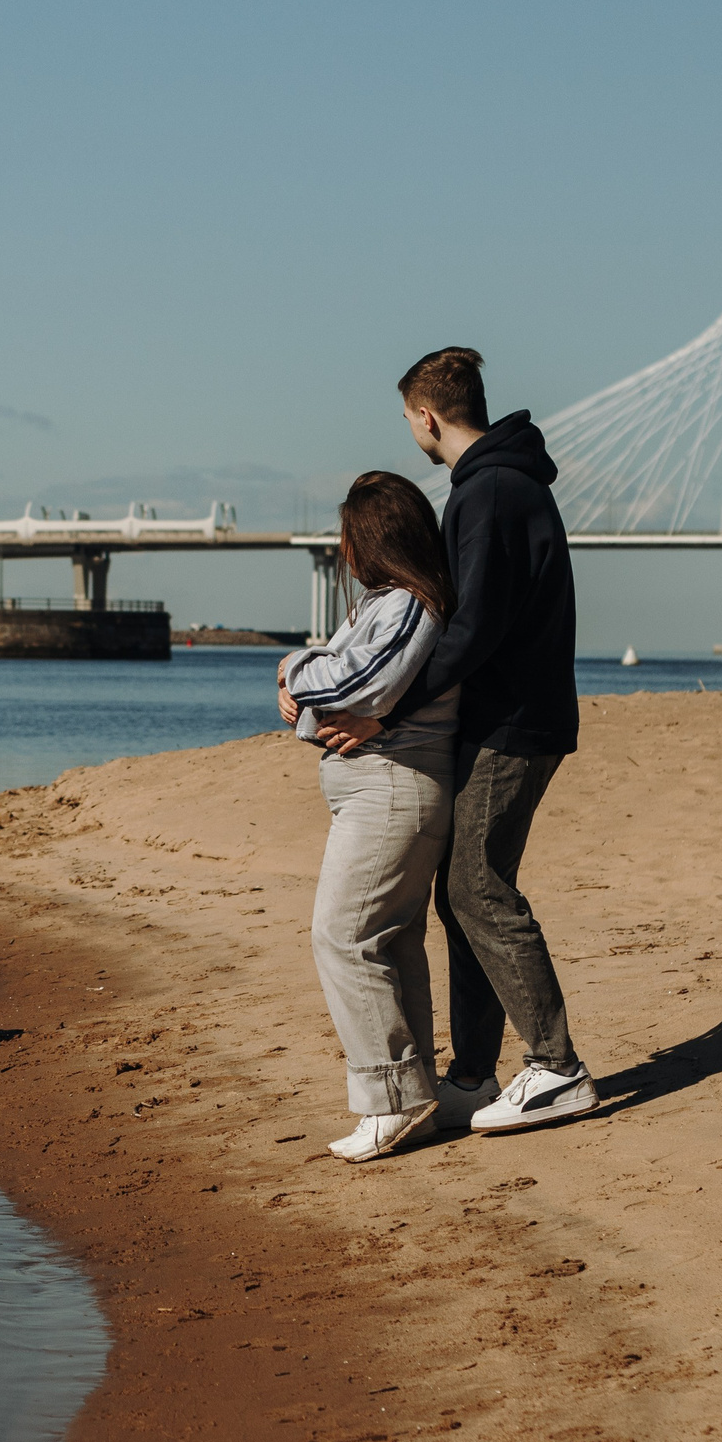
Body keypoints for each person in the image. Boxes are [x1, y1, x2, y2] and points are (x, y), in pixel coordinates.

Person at [316, 347, 595, 1133]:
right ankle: (473, 1074)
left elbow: (471, 629)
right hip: (515, 715)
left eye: (409, 419)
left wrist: (386, 711)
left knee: (476, 887)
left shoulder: (490, 492)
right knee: (462, 892)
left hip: (513, 722)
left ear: (427, 417)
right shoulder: (499, 484)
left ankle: (557, 1065)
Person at [276, 471, 463, 1162]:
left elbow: (360, 682)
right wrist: (309, 681)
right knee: (390, 941)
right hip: (376, 790)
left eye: (349, 538)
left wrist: (293, 668)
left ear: (377, 540)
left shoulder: (411, 604)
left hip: (393, 789)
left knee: (342, 936)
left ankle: (393, 1100)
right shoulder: (379, 605)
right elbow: (327, 691)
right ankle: (417, 1097)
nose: (342, 551)